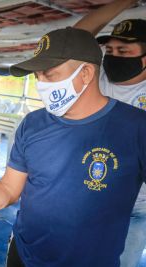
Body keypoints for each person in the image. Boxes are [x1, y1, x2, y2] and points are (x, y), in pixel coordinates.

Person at [0, 27, 146, 267]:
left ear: (86, 73)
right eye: (37, 76)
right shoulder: (33, 124)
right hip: (24, 256)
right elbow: (7, 190)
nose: (41, 84)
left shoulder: (135, 128)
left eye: (49, 74)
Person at [74, 1, 146, 266]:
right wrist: (125, 2)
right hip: (89, 193)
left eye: (124, 50)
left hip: (137, 207)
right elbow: (77, 36)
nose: (113, 55)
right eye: (111, 49)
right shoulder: (97, 76)